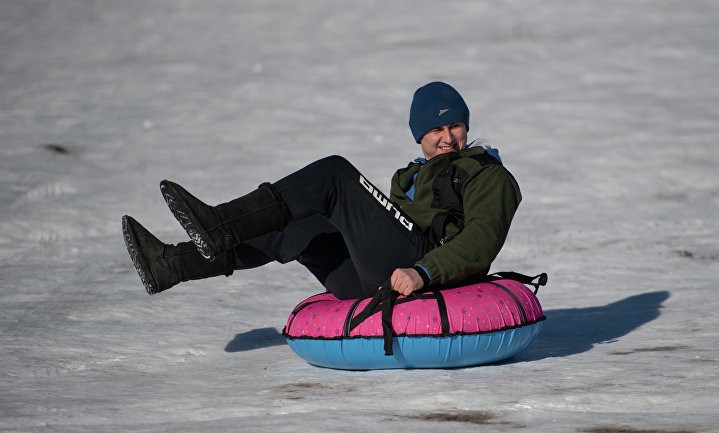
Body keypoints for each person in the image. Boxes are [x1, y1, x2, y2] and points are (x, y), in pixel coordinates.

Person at [122, 82, 522, 300]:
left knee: (335, 174)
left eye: (454, 126)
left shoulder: (487, 174)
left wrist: (422, 272)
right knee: (297, 222)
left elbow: (480, 242)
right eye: (436, 129)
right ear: (420, 135)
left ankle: (219, 223)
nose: (447, 137)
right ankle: (171, 265)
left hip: (427, 269)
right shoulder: (411, 176)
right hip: (374, 280)